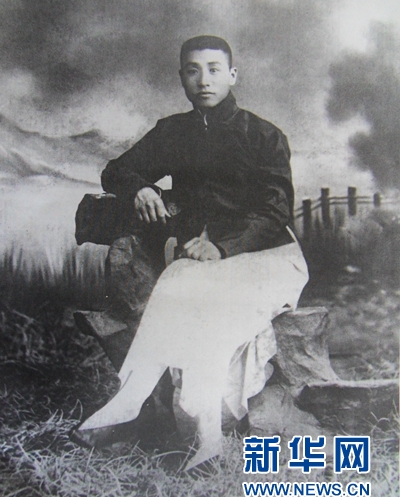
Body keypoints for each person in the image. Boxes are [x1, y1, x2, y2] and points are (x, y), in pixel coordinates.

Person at [71, 36, 309, 469]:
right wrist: (141, 187)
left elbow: (275, 211)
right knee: (179, 278)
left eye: (214, 70)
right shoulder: (173, 132)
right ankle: (168, 417)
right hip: (202, 255)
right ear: (181, 77)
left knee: (198, 290)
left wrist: (223, 247)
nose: (204, 80)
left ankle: (181, 422)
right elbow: (115, 171)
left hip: (267, 254)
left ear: (232, 75)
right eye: (193, 70)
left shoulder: (264, 135)